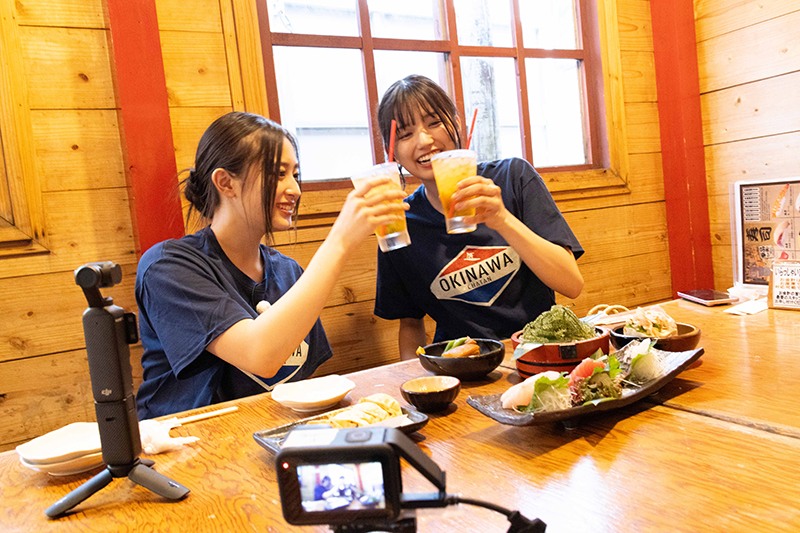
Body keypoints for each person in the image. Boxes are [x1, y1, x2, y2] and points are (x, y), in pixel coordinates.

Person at [135, 111, 406, 418]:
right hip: (184, 448)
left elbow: (298, 388)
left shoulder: (288, 272)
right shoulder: (167, 267)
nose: (295, 189)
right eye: (278, 174)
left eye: (295, 174)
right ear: (226, 182)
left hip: (270, 440)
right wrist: (340, 241)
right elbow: (259, 355)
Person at [374, 75, 585, 360]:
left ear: (457, 125)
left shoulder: (512, 177)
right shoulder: (401, 222)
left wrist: (501, 219)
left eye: (434, 122)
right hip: (459, 365)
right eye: (405, 134)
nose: (424, 140)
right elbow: (410, 323)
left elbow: (571, 284)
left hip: (537, 353)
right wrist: (418, 388)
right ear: (393, 152)